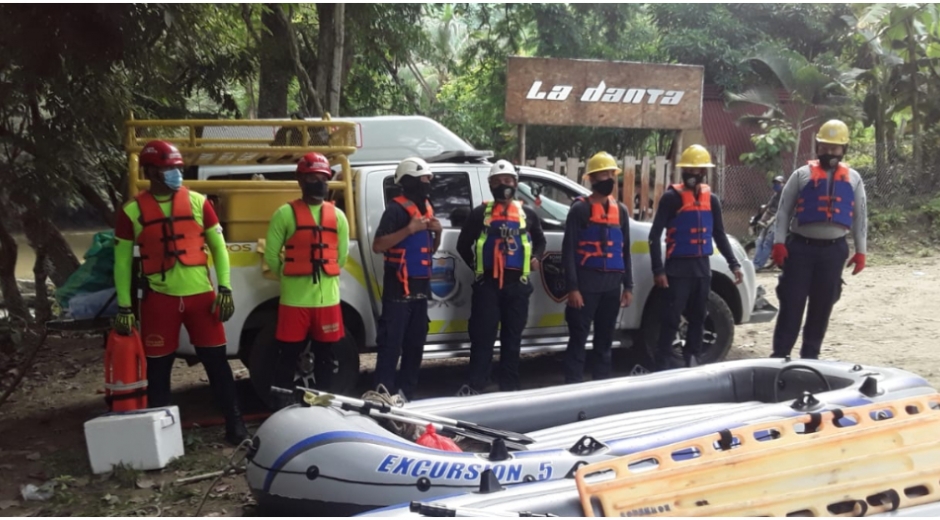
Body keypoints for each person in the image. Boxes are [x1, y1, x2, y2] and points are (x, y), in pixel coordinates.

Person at [113, 140, 248, 445]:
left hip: (202, 297)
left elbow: (218, 248)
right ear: (151, 172)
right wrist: (124, 306)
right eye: (168, 169)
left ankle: (235, 425)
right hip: (158, 300)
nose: (175, 174)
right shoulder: (132, 211)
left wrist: (224, 287)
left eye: (177, 168)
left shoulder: (200, 203)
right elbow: (121, 263)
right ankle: (165, 438)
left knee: (217, 364)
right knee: (159, 370)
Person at [770, 119, 868, 360]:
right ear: (817, 147)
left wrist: (861, 251)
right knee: (792, 305)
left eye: (834, 148)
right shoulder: (801, 175)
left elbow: (860, 216)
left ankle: (810, 358)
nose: (829, 152)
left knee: (822, 307)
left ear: (843, 149)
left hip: (833, 251)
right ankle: (780, 355)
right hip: (800, 250)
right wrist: (779, 243)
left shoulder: (854, 178)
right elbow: (783, 211)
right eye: (824, 147)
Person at [263, 152, 349, 408]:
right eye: (312, 177)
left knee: (326, 357)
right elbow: (271, 254)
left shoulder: (339, 217)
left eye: (323, 178)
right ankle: (280, 404)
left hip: (328, 301)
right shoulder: (284, 214)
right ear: (301, 180)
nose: (319, 182)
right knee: (287, 355)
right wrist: (290, 277)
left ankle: (323, 406)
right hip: (294, 300)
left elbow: (341, 257)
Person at [648, 144, 743, 371]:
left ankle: (693, 358)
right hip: (677, 268)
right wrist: (658, 270)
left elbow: (719, 235)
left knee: (699, 316)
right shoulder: (671, 198)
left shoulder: (712, 200)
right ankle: (663, 362)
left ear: (704, 172)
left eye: (699, 170)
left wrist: (734, 263)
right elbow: (654, 236)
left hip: (701, 267)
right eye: (690, 169)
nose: (694, 174)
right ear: (683, 171)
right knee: (671, 317)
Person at [455, 160, 546, 394]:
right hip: (488, 286)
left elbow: (540, 240)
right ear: (490, 185)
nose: (502, 185)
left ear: (515, 184)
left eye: (507, 181)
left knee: (512, 339)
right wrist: (478, 268)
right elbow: (463, 244)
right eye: (497, 181)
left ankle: (510, 386)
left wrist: (536, 257)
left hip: (518, 286)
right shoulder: (480, 214)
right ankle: (476, 385)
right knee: (482, 338)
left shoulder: (528, 214)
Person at [371, 157, 441, 400]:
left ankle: (406, 393)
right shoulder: (395, 210)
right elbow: (378, 245)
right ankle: (383, 393)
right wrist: (409, 229)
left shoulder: (427, 208)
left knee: (415, 346)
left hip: (420, 290)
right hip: (398, 291)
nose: (428, 183)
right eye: (424, 179)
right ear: (410, 181)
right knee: (391, 346)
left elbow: (429, 250)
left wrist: (437, 233)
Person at [562, 151, 634, 384]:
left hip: (611, 287)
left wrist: (628, 286)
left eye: (611, 174)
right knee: (578, 339)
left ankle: (602, 384)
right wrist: (573, 288)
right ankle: (573, 385)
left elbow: (625, 250)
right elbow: (569, 251)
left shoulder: (620, 210)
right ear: (592, 179)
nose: (608, 178)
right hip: (586, 286)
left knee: (605, 340)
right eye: (603, 174)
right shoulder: (579, 210)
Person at [752, 175, 785, 270]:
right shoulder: (775, 195)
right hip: (769, 220)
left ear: (784, 184)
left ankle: (758, 265)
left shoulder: (785, 194)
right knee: (759, 241)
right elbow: (767, 206)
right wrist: (758, 217)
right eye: (775, 183)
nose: (776, 185)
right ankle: (755, 263)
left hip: (777, 221)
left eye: (778, 183)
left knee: (767, 243)